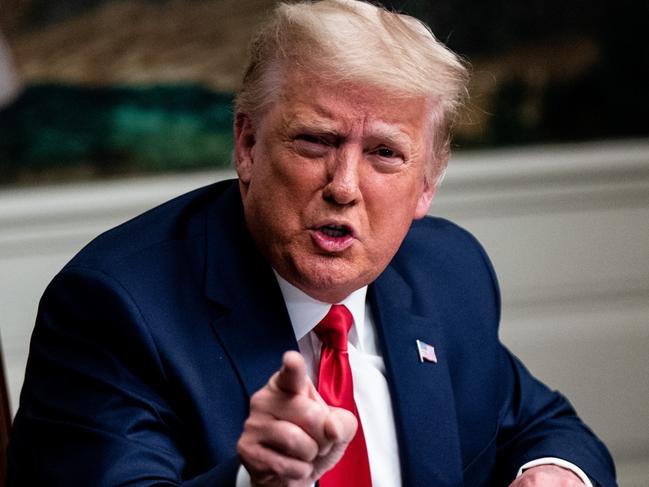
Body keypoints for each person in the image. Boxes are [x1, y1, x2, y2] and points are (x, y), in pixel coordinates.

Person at [8, 1, 616, 486]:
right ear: (247, 144)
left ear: (427, 184)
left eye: (384, 153)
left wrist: (553, 472)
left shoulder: (446, 273)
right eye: (315, 142)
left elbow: (543, 424)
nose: (344, 187)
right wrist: (255, 481)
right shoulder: (117, 308)